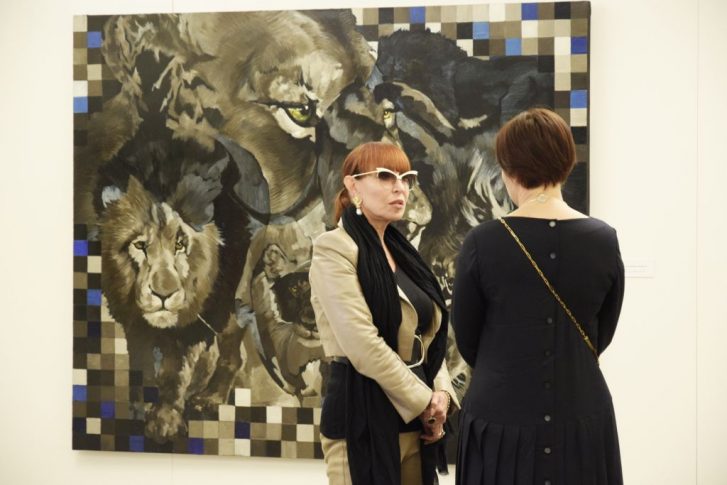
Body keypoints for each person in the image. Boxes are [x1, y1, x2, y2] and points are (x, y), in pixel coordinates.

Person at [453, 108, 625, 485]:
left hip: (500, 417)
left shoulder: (482, 241)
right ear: (567, 163)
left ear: (509, 170)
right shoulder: (603, 240)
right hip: (580, 412)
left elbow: (467, 338)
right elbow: (602, 332)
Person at [309, 141, 459, 485]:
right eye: (385, 176)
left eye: (407, 178)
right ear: (352, 185)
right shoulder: (334, 248)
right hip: (361, 416)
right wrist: (424, 400)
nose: (400, 188)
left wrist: (441, 395)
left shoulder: (404, 252)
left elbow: (428, 337)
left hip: (415, 421)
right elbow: (362, 343)